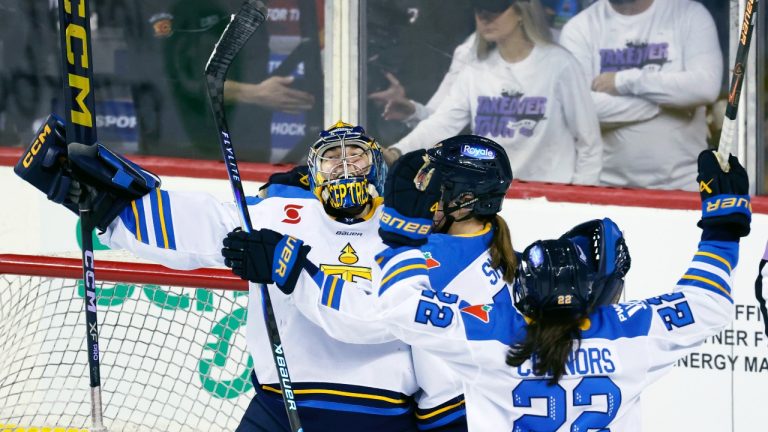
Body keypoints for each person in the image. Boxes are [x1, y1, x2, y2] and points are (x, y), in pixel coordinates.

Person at [229, 142, 751, 430]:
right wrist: (724, 229)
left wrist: (301, 268)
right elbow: (705, 301)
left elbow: (392, 309)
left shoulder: (493, 332)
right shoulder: (631, 334)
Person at [14, 118, 468, 431]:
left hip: (379, 415)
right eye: (332, 157)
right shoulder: (279, 214)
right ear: (313, 170)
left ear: (379, 164)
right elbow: (201, 224)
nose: (345, 166)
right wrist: (112, 203)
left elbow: (386, 320)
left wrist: (291, 267)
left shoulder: (409, 233)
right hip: (277, 406)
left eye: (357, 156)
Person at [383, 0, 602, 186]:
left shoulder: (559, 65)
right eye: (479, 10)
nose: (485, 18)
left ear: (520, 12)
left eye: (495, 10)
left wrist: (580, 197)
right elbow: (442, 123)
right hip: (492, 193)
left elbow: (588, 141)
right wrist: (397, 152)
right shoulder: (475, 68)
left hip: (550, 192)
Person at [559, 0, 723, 191]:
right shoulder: (580, 28)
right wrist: (663, 103)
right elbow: (581, 109)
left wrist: (624, 81)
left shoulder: (690, 14)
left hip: (686, 184)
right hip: (606, 185)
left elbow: (705, 87)